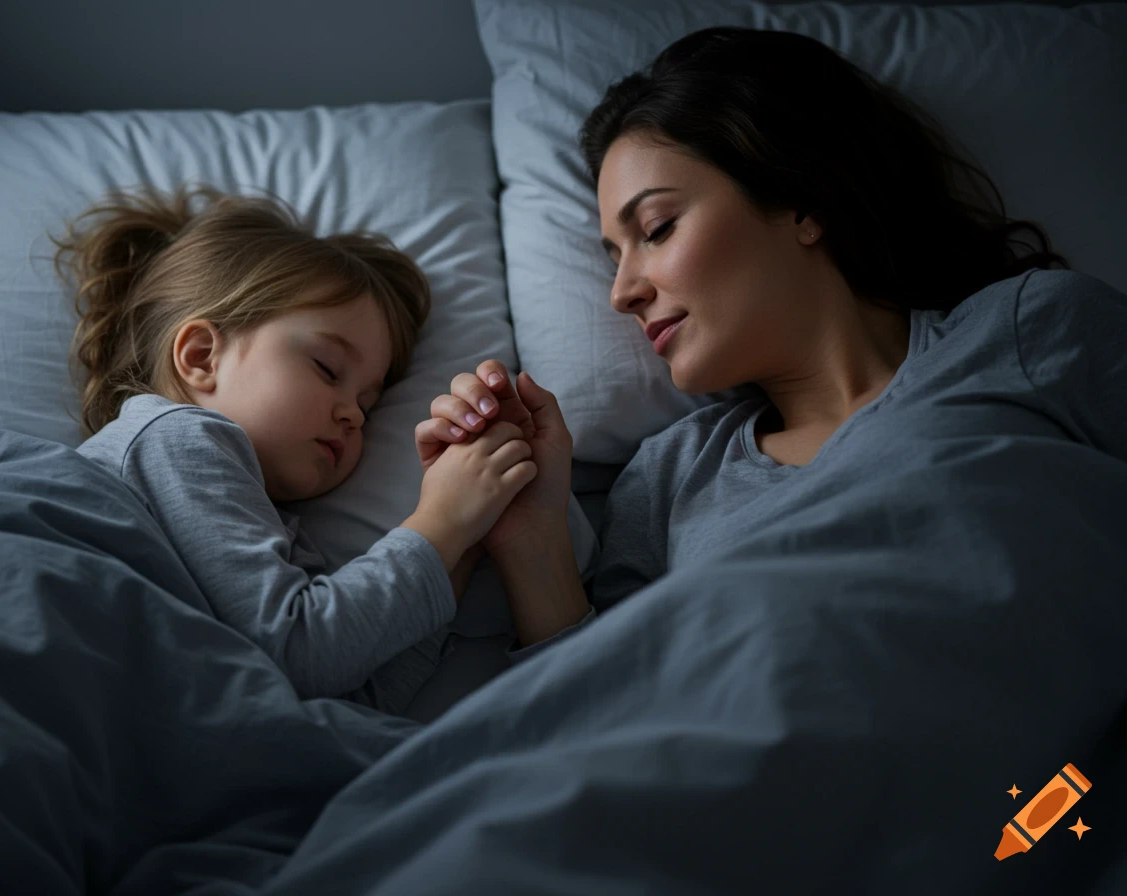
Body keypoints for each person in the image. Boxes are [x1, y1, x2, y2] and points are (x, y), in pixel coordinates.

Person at [417, 27, 1127, 658]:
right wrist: (533, 537)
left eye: (658, 228)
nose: (621, 292)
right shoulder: (671, 479)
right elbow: (601, 736)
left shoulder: (1031, 332)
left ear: (800, 201)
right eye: (612, 256)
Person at [54, 185, 537, 714]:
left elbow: (356, 702)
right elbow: (298, 653)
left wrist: (465, 542)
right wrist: (439, 523)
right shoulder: (175, 436)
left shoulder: (281, 540)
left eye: (368, 405)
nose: (353, 415)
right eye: (328, 369)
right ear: (201, 357)